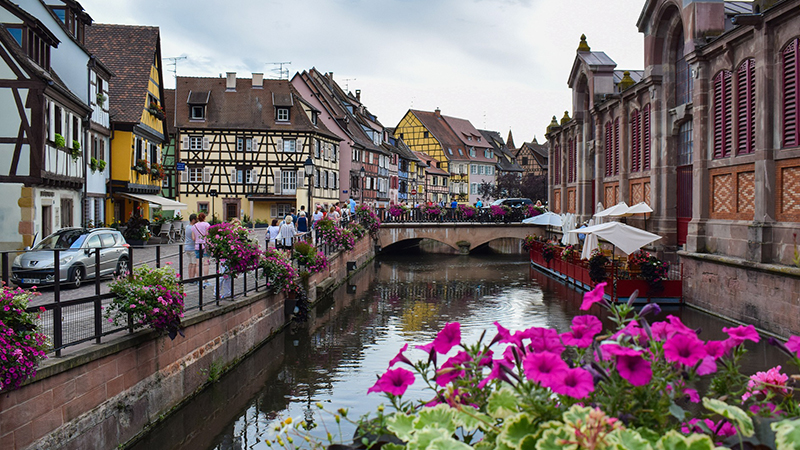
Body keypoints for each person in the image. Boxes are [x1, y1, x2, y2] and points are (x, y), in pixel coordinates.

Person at [192, 212, 211, 288]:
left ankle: (199, 280)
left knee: (198, 263)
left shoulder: (194, 226)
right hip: (205, 245)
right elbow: (208, 235)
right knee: (206, 262)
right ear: (204, 218)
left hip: (197, 245)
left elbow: (193, 238)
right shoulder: (207, 225)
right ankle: (206, 280)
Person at [184, 214, 198, 285]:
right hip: (192, 247)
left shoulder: (187, 227)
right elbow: (194, 238)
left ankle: (190, 278)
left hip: (187, 247)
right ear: (193, 220)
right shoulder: (193, 228)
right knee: (194, 264)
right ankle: (192, 279)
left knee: (190, 264)